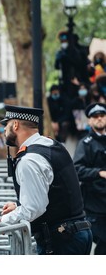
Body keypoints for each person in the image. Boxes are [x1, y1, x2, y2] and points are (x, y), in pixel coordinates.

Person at [0, 105, 92, 255]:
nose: (4, 130)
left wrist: (4, 222)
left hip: (61, 240)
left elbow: (34, 209)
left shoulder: (29, 159)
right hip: (76, 233)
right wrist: (18, 206)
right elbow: (53, 192)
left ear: (15, 125)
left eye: (6, 124)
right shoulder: (51, 145)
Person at [73, 103, 106, 254]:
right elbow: (77, 170)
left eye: (102, 115)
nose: (99, 119)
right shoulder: (85, 144)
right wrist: (98, 173)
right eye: (95, 117)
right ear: (90, 121)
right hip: (95, 205)